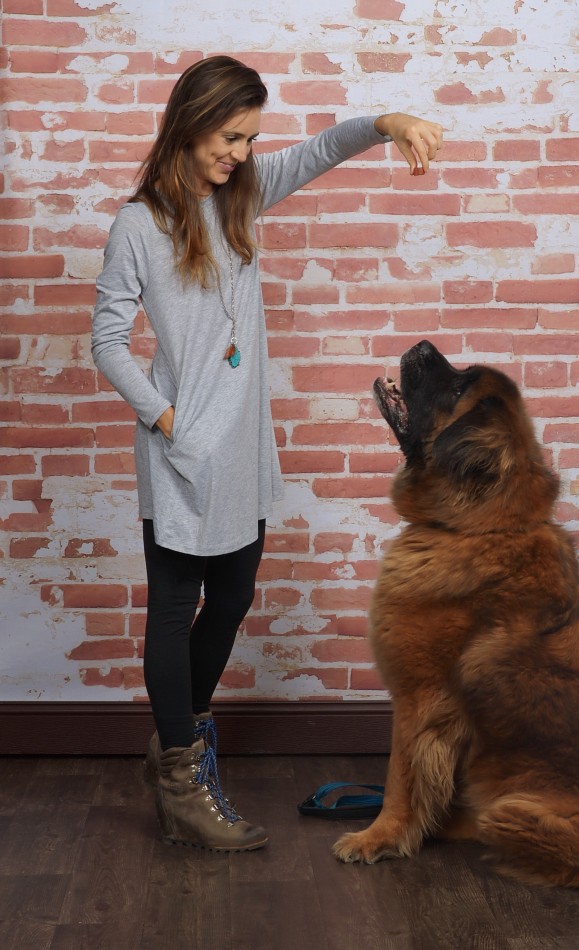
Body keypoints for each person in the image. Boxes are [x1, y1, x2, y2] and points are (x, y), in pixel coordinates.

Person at [91, 55, 443, 852]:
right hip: (182, 451)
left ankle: (180, 736)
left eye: (250, 138)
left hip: (245, 447)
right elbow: (107, 342)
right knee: (176, 606)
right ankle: (183, 777)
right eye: (229, 136)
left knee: (237, 594)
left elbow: (321, 150)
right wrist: (167, 418)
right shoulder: (137, 226)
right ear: (189, 124)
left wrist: (387, 124)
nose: (241, 153)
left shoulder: (244, 193)